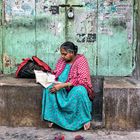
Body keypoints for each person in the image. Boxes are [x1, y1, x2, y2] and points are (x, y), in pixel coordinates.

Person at [41, 41, 94, 131]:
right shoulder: (62, 61)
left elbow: (82, 80)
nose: (62, 56)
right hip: (62, 88)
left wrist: (63, 85)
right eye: (61, 54)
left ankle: (84, 119)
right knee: (48, 89)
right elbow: (56, 73)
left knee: (80, 91)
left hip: (74, 88)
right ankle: (52, 117)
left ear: (72, 53)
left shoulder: (81, 60)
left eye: (64, 54)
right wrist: (47, 78)